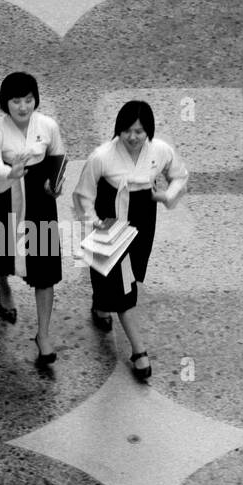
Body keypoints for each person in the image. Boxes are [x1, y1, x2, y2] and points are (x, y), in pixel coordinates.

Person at [73, 100, 188, 379]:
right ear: (118, 130)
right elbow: (83, 194)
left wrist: (167, 195)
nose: (133, 137)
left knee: (130, 273)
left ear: (148, 130)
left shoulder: (160, 151)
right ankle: (139, 351)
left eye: (139, 131)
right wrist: (92, 222)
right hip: (110, 218)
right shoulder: (102, 156)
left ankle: (100, 305)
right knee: (124, 288)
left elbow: (179, 175)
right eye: (127, 131)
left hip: (143, 216)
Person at [0, 72, 64, 367]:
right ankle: (3, 288)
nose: (23, 106)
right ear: (6, 102)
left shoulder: (48, 125)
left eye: (28, 100)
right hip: (8, 192)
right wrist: (8, 172)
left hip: (40, 198)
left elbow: (57, 155)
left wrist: (55, 183)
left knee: (44, 266)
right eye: (16, 100)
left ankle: (43, 334)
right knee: (2, 252)